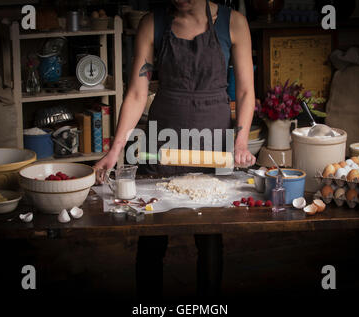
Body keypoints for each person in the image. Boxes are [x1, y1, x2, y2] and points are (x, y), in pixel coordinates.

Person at [94, 0, 255, 299]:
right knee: (151, 229)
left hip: (214, 141)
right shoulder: (151, 23)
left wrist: (240, 142)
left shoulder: (234, 23)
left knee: (209, 235)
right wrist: (114, 150)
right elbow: (137, 92)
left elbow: (245, 91)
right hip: (163, 140)